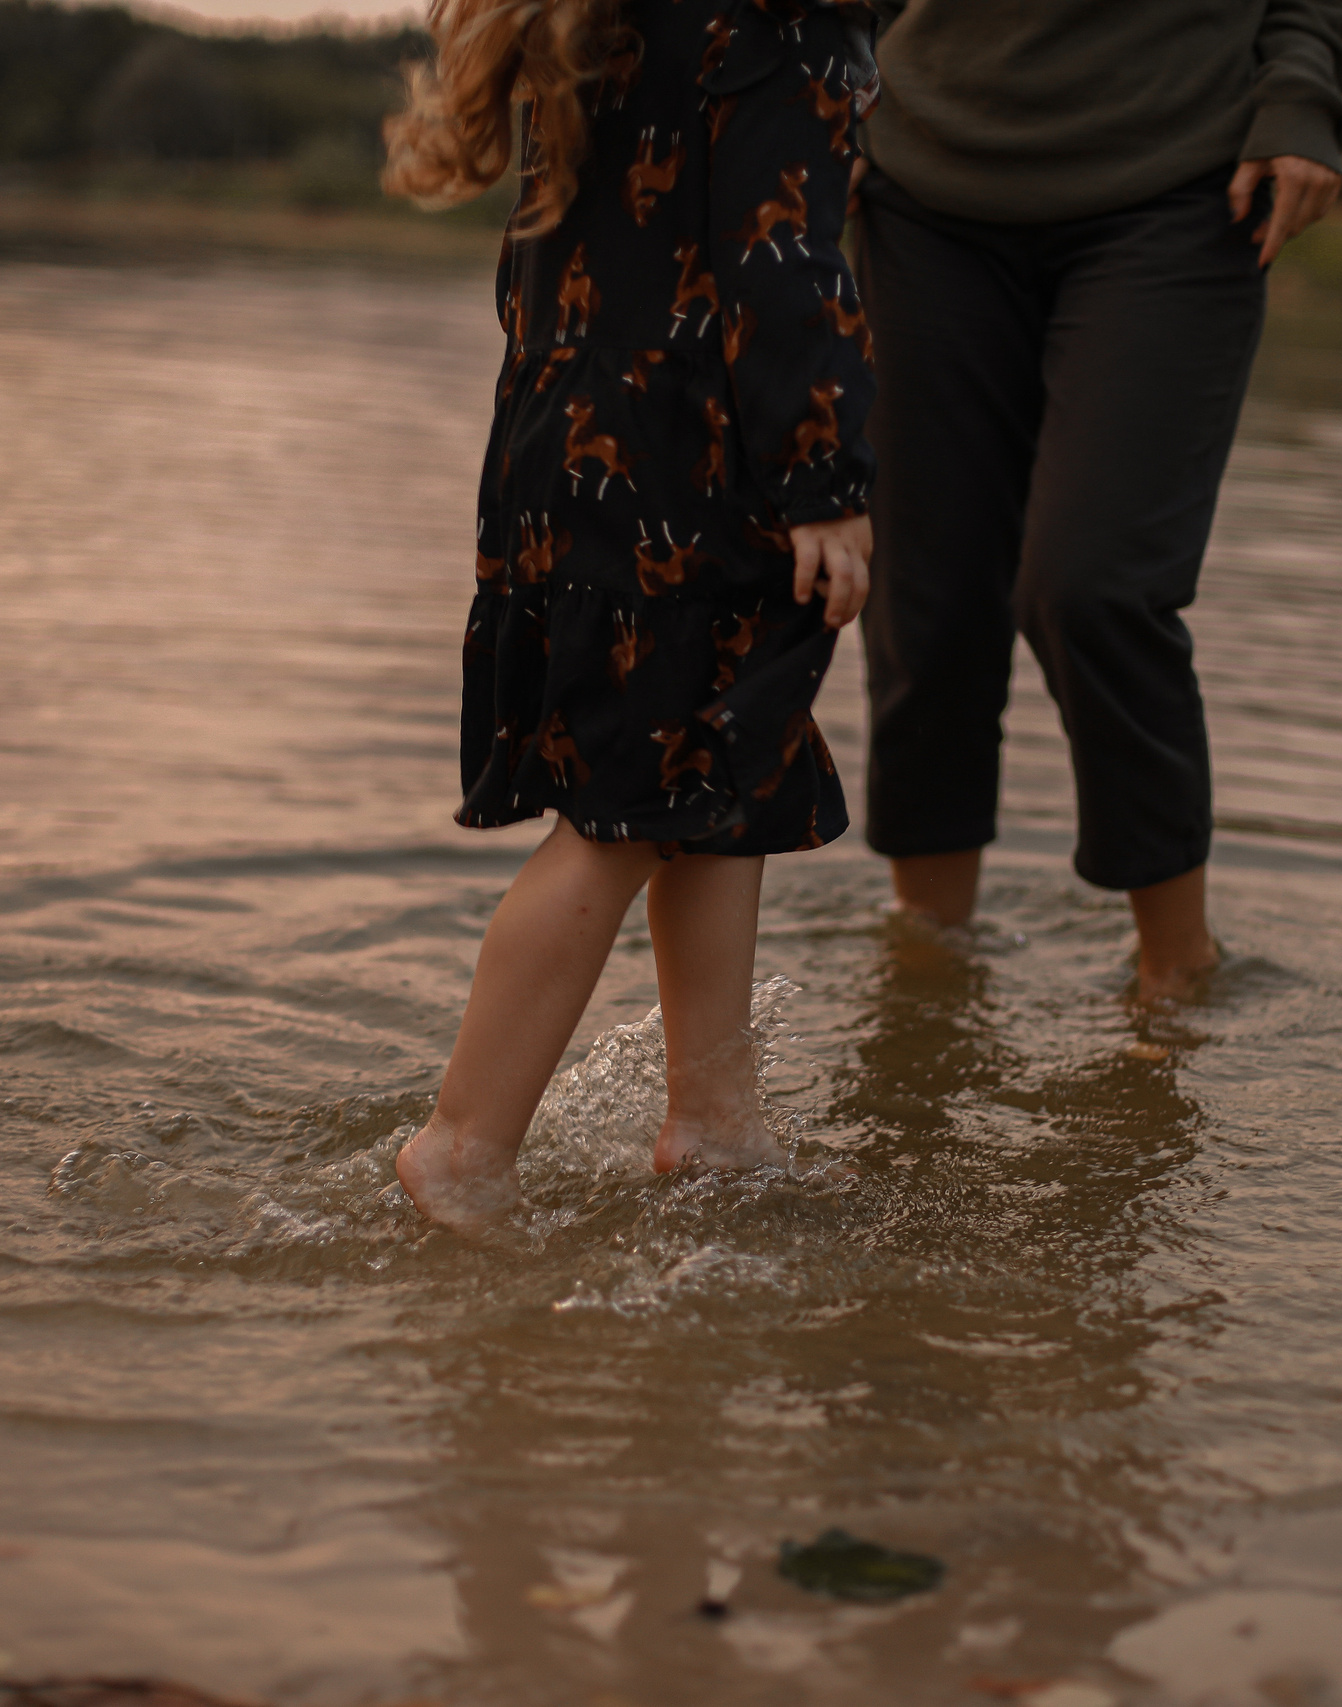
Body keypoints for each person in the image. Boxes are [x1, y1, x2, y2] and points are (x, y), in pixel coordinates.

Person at [381, 0, 878, 1232]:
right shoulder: (786, 18)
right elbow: (783, 258)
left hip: (571, 449)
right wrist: (825, 480)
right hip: (690, 467)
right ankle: (463, 1148)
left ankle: (716, 1123)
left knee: (715, 772)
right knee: (623, 811)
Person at [855, 0, 1342, 1003]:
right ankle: (926, 972)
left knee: (1092, 588)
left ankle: (1176, 977)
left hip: (1182, 183)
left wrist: (1301, 90)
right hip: (920, 184)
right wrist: (821, 92)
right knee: (929, 602)